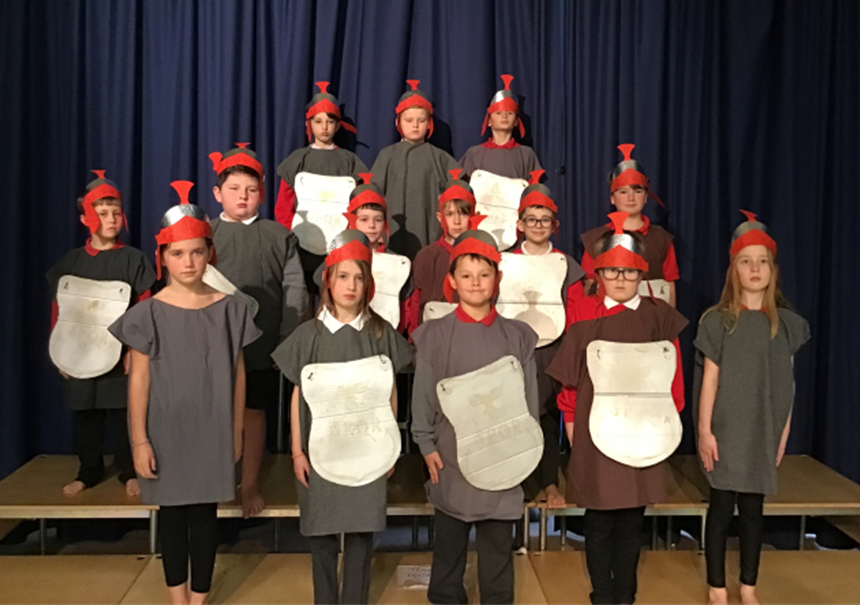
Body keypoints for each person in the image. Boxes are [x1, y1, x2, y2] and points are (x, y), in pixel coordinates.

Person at [109, 181, 261, 605]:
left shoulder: (230, 309)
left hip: (212, 430)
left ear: (210, 253)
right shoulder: (148, 313)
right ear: (163, 258)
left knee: (205, 516)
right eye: (177, 253)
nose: (188, 261)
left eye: (196, 252)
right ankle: (178, 599)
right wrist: (139, 440)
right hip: (167, 432)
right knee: (173, 517)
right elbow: (139, 380)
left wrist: (236, 430)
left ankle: (199, 597)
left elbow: (238, 375)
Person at [547, 212, 688, 605]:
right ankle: (602, 594)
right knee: (598, 520)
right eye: (612, 271)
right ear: (599, 274)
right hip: (595, 432)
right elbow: (569, 388)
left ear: (641, 274)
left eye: (628, 272)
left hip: (644, 431)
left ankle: (626, 595)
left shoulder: (659, 317)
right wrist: (575, 436)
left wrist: (668, 424)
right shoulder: (584, 318)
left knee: (630, 520)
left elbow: (673, 376)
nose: (620, 279)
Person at [272, 230, 413, 605]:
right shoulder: (309, 336)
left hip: (367, 447)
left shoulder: (381, 333)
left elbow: (390, 392)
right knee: (320, 531)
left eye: (359, 277)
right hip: (320, 449)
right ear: (328, 281)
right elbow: (298, 396)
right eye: (343, 276)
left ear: (369, 284)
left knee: (361, 532)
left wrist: (389, 448)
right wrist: (297, 451)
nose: (351, 286)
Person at [411, 230, 540, 605]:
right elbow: (424, 394)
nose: (475, 283)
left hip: (503, 454)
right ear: (452, 280)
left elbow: (529, 401)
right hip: (451, 454)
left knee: (498, 548)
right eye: (466, 275)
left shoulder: (518, 336)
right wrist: (425, 443)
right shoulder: (435, 335)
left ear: (497, 279)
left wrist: (525, 448)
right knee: (449, 546)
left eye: (484, 275)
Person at [693, 211, 810, 605]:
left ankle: (748, 586)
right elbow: (710, 380)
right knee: (722, 507)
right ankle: (717, 587)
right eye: (746, 261)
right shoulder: (718, 321)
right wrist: (705, 431)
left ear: (773, 270)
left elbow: (787, 384)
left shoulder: (786, 324)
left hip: (762, 428)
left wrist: (783, 431)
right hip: (726, 429)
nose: (755, 269)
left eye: (762, 261)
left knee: (753, 510)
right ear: (735, 269)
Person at [208, 142, 308, 518]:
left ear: (262, 194)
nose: (243, 197)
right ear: (217, 193)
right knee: (212, 412)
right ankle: (213, 481)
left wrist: (287, 339)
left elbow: (294, 291)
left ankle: (248, 484)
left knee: (253, 412)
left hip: (260, 345)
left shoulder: (279, 236)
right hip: (210, 346)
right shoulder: (205, 233)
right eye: (234, 189)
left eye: (251, 190)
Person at [46, 170, 156, 497]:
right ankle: (88, 472)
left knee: (124, 412)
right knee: (86, 414)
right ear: (85, 218)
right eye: (103, 213)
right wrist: (60, 352)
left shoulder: (133, 260)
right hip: (79, 350)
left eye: (116, 213)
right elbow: (60, 310)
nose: (111, 220)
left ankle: (128, 471)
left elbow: (143, 309)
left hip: (119, 354)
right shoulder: (71, 263)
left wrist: (134, 351)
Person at [508, 172, 585, 507]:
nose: (537, 225)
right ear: (520, 223)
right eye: (531, 219)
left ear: (555, 225)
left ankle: (549, 482)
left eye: (544, 220)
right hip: (514, 352)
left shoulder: (565, 264)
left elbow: (576, 310)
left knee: (548, 418)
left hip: (553, 350)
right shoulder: (504, 261)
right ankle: (522, 483)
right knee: (516, 416)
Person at [274, 82, 368, 293]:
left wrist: (350, 237)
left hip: (340, 243)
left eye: (330, 121)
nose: (324, 127)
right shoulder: (297, 160)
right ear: (309, 124)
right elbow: (284, 206)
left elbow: (358, 205)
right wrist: (291, 237)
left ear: (338, 125)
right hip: (301, 243)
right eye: (318, 121)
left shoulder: (349, 162)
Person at [370, 80, 461, 259]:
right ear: (398, 122)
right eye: (409, 120)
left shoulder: (439, 157)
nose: (415, 125)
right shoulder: (387, 155)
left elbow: (458, 193)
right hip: (393, 231)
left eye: (421, 120)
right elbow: (373, 194)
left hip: (428, 228)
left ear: (429, 123)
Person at [581, 144, 679, 306]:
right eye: (623, 192)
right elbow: (589, 286)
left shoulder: (661, 238)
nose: (631, 198)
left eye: (637, 191)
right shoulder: (595, 239)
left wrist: (670, 322)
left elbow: (669, 286)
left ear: (646, 196)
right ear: (612, 198)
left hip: (651, 316)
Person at [405, 169, 477, 333]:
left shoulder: (481, 257)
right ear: (439, 217)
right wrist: (415, 337)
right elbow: (415, 303)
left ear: (474, 216)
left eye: (463, 214)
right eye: (450, 214)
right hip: (431, 336)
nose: (457, 221)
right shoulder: (427, 256)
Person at [460, 74, 542, 180]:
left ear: (516, 122)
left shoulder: (526, 154)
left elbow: (533, 187)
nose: (504, 116)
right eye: (498, 113)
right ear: (489, 121)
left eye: (510, 113)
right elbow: (463, 186)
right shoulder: (474, 153)